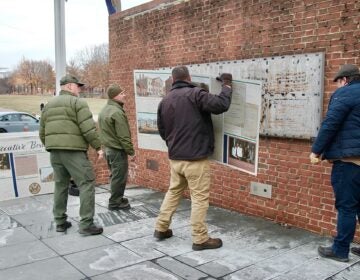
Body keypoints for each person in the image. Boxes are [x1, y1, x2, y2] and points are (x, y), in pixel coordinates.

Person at [154, 65, 232, 251]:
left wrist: (174, 145)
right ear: (188, 78)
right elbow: (221, 105)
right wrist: (227, 85)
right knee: (199, 198)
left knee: (173, 192)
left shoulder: (164, 100)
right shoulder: (196, 94)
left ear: (173, 80)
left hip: (176, 159)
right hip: (195, 159)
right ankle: (200, 239)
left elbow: (162, 130)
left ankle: (161, 227)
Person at [39, 74, 104, 236]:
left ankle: (60, 222)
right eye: (77, 86)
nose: (79, 89)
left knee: (60, 185)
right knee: (87, 183)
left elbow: (42, 132)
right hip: (74, 152)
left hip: (55, 152)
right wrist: (98, 147)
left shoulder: (48, 105)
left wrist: (51, 146)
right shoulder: (78, 103)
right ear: (69, 86)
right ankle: (86, 224)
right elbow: (88, 128)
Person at [310, 64, 360, 262]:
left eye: (338, 82)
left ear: (345, 80)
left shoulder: (345, 94)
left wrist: (316, 150)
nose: (338, 86)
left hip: (349, 161)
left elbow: (331, 123)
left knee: (347, 206)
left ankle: (340, 250)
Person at [98, 84, 134, 210]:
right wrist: (131, 152)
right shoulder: (117, 112)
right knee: (119, 177)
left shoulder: (104, 110)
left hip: (108, 149)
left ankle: (117, 198)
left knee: (115, 176)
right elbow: (124, 136)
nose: (125, 95)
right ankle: (115, 202)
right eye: (122, 93)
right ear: (115, 96)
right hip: (117, 150)